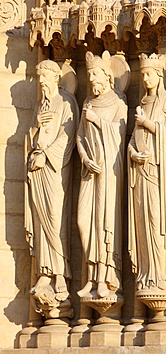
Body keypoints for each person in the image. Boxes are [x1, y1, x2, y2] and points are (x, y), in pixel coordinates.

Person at [25, 59, 79, 302]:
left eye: (45, 76)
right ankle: (45, 271)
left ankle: (61, 272)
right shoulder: (40, 106)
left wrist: (46, 156)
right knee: (40, 220)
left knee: (56, 219)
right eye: (39, 77)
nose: (41, 81)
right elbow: (32, 137)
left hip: (55, 168)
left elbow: (68, 137)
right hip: (39, 168)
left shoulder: (67, 103)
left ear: (56, 77)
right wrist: (35, 130)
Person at [77, 51, 127, 298]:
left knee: (104, 222)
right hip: (90, 170)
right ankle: (90, 274)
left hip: (109, 171)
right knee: (83, 221)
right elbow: (79, 135)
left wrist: (97, 121)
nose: (91, 78)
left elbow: (119, 135)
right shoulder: (87, 103)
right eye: (89, 74)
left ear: (107, 76)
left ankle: (105, 277)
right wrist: (85, 158)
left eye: (95, 73)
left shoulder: (118, 104)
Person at [128, 53, 166, 292]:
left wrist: (147, 123)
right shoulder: (141, 105)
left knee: (157, 221)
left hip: (159, 175)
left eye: (150, 73)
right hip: (140, 172)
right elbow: (131, 140)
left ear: (160, 75)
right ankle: (146, 274)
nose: (146, 78)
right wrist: (132, 154)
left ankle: (161, 277)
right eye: (143, 74)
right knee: (142, 223)